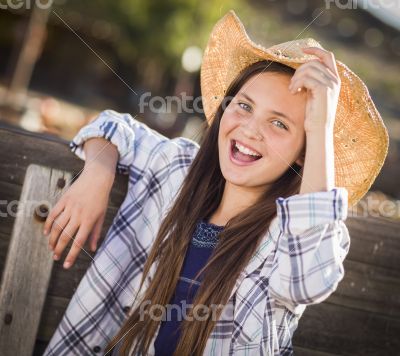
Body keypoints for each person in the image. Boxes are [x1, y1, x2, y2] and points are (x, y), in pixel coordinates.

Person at [42, 10, 388, 356]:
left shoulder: (291, 236)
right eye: (244, 106)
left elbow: (308, 282)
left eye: (280, 124)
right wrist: (98, 173)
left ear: (303, 153)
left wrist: (321, 126)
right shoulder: (177, 170)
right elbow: (113, 126)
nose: (250, 130)